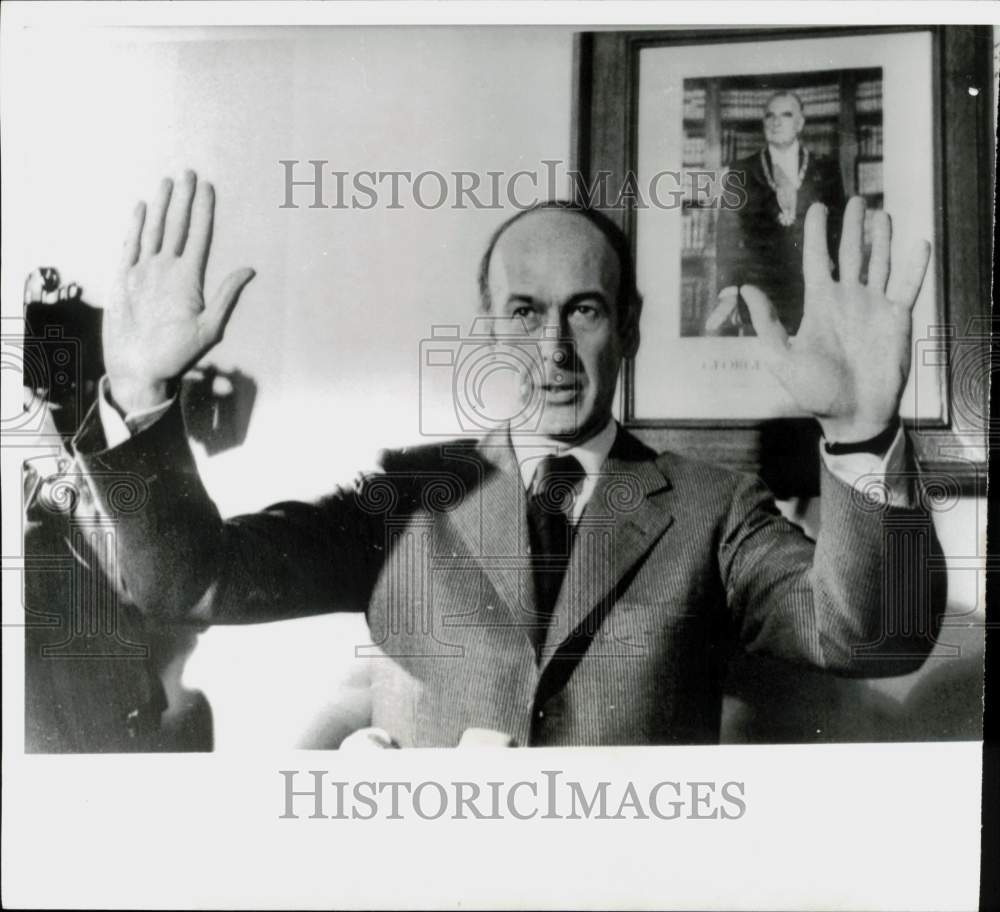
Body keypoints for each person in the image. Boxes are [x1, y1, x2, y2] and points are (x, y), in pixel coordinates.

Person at [72, 170, 941, 747]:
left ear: (629, 327)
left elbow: (878, 639)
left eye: (586, 311)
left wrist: (863, 433)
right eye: (525, 312)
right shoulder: (405, 497)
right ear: (488, 327)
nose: (554, 348)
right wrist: (143, 402)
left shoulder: (715, 511)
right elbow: (194, 583)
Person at [709, 90, 846, 336]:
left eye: (786, 114)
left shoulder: (825, 169)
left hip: (812, 291)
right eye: (769, 116)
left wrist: (837, 283)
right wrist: (729, 290)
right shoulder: (741, 170)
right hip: (758, 290)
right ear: (763, 123)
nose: (776, 121)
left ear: (800, 123)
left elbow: (838, 230)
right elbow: (727, 233)